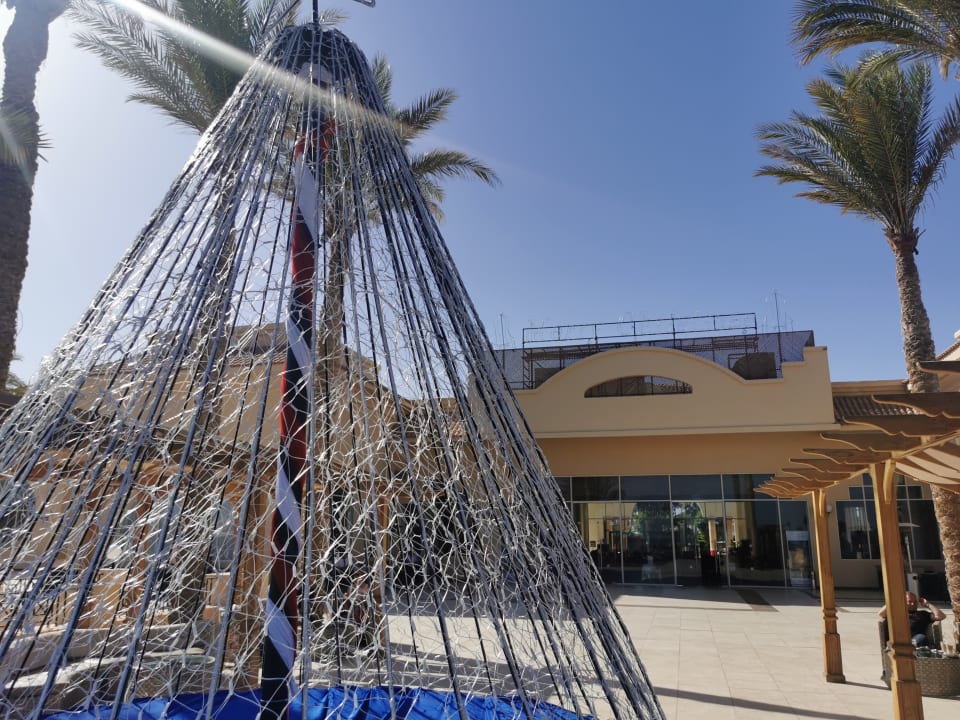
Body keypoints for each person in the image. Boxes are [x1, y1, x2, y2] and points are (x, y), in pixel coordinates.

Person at [878, 592, 946, 647]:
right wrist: (894, 599)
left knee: (921, 638)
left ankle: (912, 657)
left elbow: (941, 616)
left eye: (915, 602)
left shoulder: (922, 614)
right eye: (909, 601)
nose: (913, 604)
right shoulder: (896, 613)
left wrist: (927, 604)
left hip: (915, 640)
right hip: (898, 640)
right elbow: (881, 613)